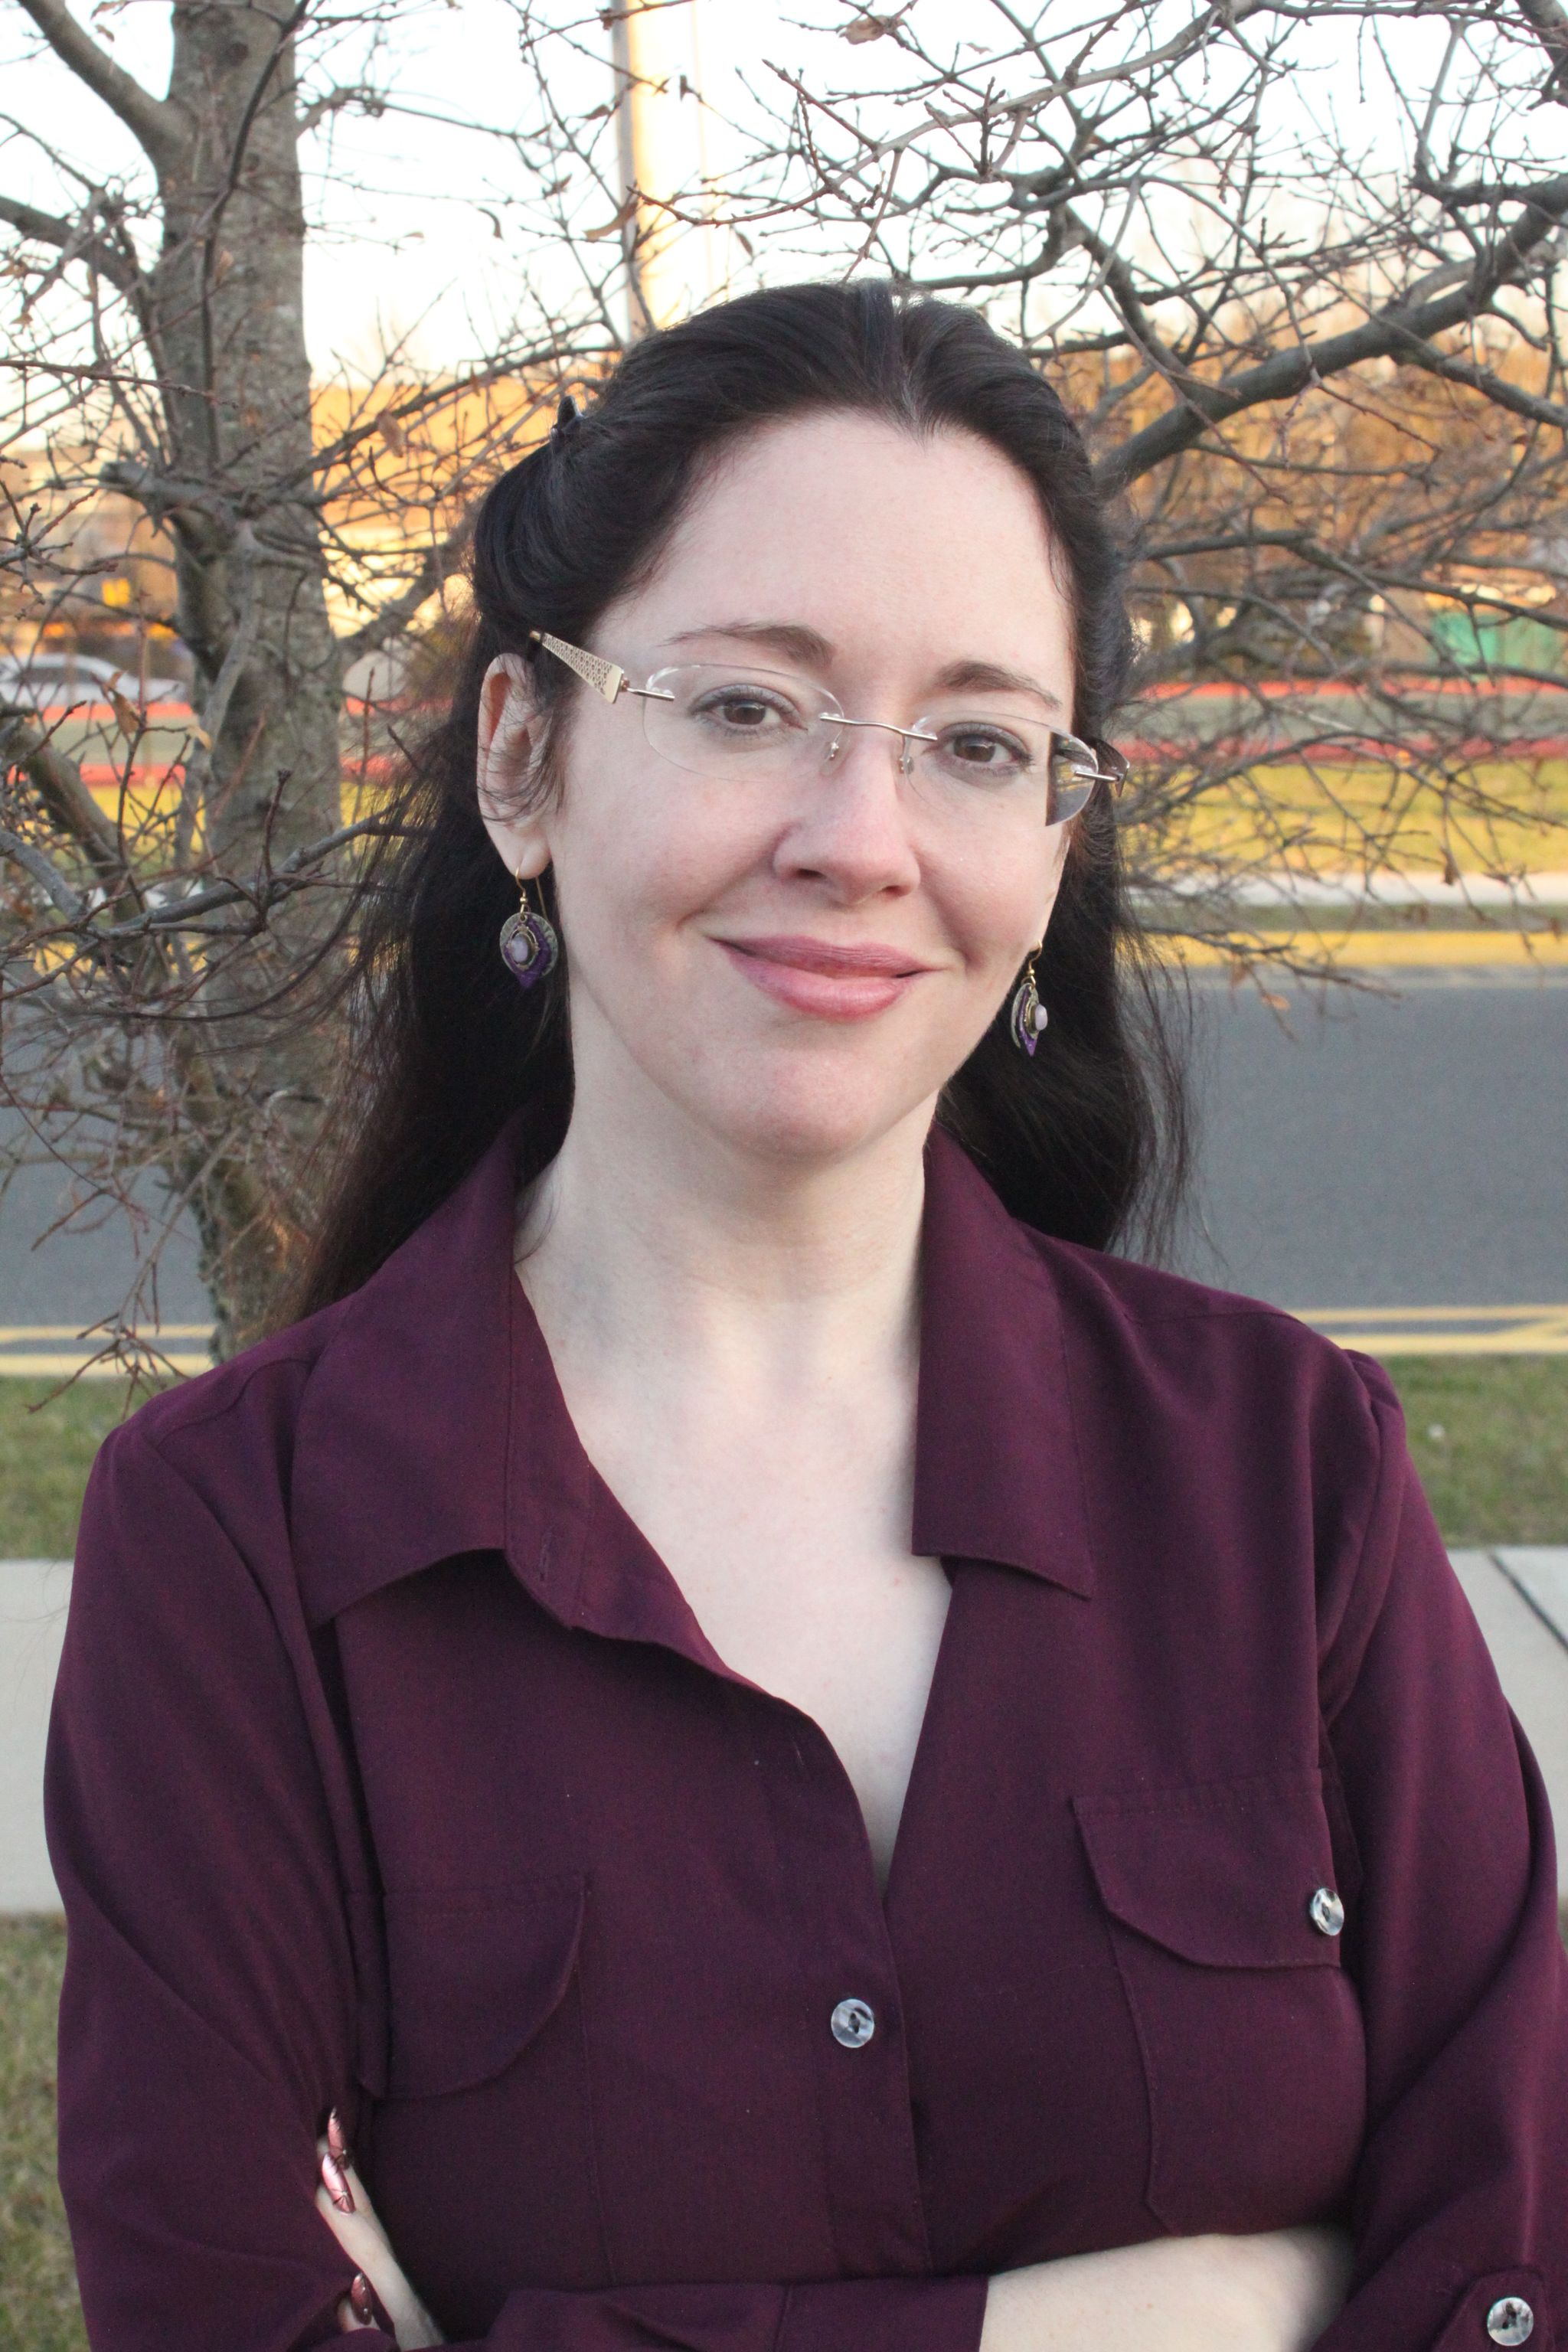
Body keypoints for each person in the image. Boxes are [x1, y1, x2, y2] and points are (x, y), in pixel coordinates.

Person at [46, 282, 1567, 2352]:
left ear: (1057, 835)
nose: (862, 842)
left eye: (977, 744)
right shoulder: (236, 1544)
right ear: (523, 757)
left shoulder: (1289, 1476)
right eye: (749, 706)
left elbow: (1508, 2266)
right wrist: (1159, 2320)